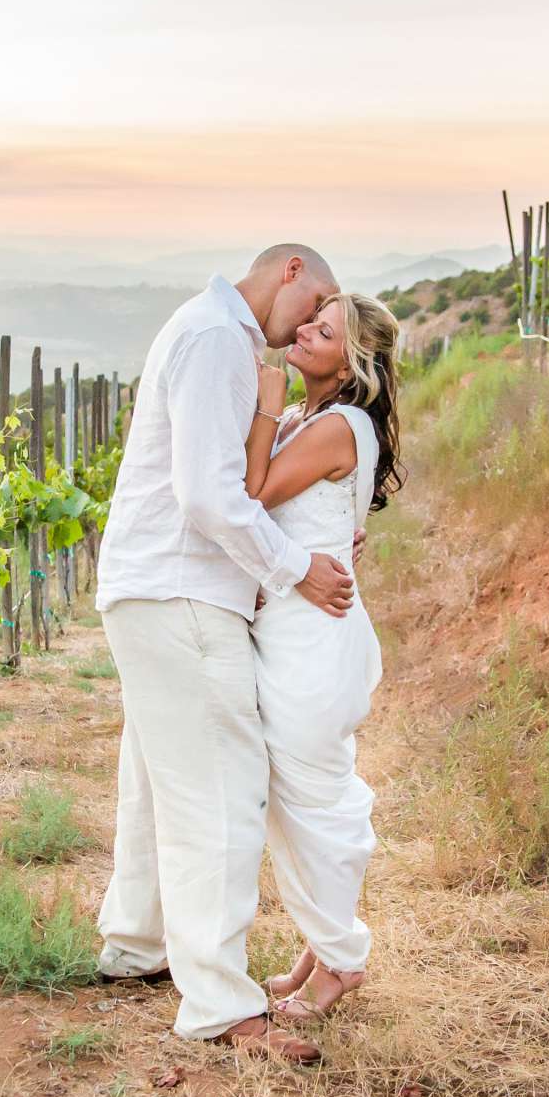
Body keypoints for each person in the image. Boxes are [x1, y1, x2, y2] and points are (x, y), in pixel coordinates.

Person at [92, 244, 356, 1064]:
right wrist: (295, 569)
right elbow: (208, 493)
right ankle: (219, 1004)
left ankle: (136, 942)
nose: (306, 327)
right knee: (219, 786)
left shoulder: (212, 332)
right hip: (182, 589)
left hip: (151, 584)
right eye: (312, 305)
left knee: (157, 774)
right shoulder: (216, 338)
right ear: (287, 271)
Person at [242, 292, 403, 1023]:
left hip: (311, 639)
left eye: (324, 330)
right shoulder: (325, 421)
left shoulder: (333, 424)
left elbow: (251, 494)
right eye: (310, 320)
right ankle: (319, 944)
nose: (304, 330)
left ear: (352, 361)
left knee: (311, 799)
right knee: (299, 794)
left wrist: (265, 405)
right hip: (299, 630)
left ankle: (340, 961)